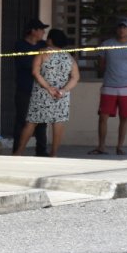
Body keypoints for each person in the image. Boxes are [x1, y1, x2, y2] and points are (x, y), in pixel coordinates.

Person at [12, 29, 79, 158]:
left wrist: (48, 87)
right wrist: (64, 90)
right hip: (60, 95)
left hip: (42, 93)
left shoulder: (43, 53)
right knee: (58, 122)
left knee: (31, 122)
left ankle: (18, 152)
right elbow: (75, 77)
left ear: (51, 40)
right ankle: (53, 154)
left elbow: (35, 72)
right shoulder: (69, 57)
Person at [93, 18, 127, 155]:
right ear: (116, 29)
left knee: (124, 117)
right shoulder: (107, 44)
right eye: (120, 27)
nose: (122, 30)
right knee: (103, 117)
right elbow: (100, 64)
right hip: (109, 86)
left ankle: (120, 146)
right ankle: (101, 146)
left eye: (125, 27)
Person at [12, 19, 50, 156]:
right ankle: (17, 150)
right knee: (22, 120)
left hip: (41, 89)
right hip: (25, 88)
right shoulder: (20, 45)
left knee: (42, 122)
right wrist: (39, 57)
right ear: (33, 31)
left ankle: (41, 151)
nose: (43, 32)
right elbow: (28, 64)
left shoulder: (43, 45)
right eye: (40, 29)